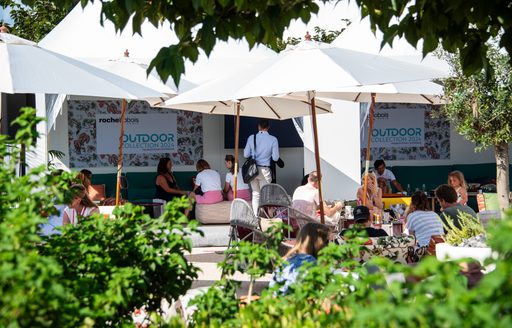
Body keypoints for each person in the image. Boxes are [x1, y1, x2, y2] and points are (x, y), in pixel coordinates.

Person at [270, 223, 330, 294]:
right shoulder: (311, 264)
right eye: (327, 241)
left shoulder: (285, 261)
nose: (328, 246)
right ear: (319, 243)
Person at [244, 119, 279, 214]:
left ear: (258, 127)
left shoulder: (251, 137)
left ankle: (256, 217)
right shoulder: (273, 139)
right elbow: (275, 158)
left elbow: (246, 155)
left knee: (256, 194)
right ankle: (266, 217)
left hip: (253, 171)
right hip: (265, 170)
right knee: (266, 196)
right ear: (268, 127)